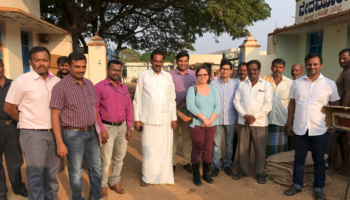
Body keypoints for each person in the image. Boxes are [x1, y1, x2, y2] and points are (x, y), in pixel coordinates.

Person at [4, 46, 61, 200]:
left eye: (44, 60)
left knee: (51, 171)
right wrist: (26, 120)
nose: (41, 63)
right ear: (30, 61)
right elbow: (9, 108)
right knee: (36, 173)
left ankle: (51, 196)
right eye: (37, 60)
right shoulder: (22, 81)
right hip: (32, 134)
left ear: (49, 61)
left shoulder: (56, 81)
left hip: (54, 133)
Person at [284, 54, 339, 200]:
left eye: (315, 64)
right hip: (300, 127)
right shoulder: (296, 83)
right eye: (309, 64)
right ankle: (297, 185)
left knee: (319, 160)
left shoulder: (329, 84)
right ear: (305, 65)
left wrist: (333, 123)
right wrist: (289, 122)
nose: (312, 67)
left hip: (320, 128)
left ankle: (318, 188)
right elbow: (292, 103)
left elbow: (335, 105)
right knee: (299, 158)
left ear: (321, 65)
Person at [50, 52, 102, 200]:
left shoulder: (89, 83)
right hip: (73, 135)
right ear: (69, 66)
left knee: (95, 167)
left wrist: (97, 131)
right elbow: (54, 116)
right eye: (77, 67)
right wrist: (60, 143)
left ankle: (95, 197)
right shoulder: (60, 87)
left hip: (91, 132)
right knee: (75, 170)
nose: (81, 70)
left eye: (83, 66)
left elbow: (94, 108)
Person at [133, 48, 177, 187]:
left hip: (165, 120)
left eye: (160, 61)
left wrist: (174, 117)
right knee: (148, 150)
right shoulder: (143, 76)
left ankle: (164, 176)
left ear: (163, 62)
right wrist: (137, 119)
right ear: (151, 61)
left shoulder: (168, 77)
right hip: (148, 120)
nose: (158, 64)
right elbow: (137, 99)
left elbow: (172, 98)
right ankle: (147, 177)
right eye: (155, 61)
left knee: (165, 150)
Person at [95, 60, 134, 198]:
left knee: (119, 157)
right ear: (107, 70)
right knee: (105, 160)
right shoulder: (99, 87)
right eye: (113, 69)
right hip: (107, 128)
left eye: (118, 70)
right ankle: (103, 185)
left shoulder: (124, 88)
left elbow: (129, 108)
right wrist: (102, 130)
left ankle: (115, 181)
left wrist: (130, 127)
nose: (116, 72)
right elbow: (96, 110)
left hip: (122, 127)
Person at [233, 60, 272, 184]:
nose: (252, 71)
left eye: (255, 69)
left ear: (259, 70)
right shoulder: (242, 84)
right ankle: (243, 170)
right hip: (243, 122)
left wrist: (253, 117)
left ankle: (259, 172)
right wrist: (245, 115)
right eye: (249, 69)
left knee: (260, 149)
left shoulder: (266, 85)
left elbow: (268, 105)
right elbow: (236, 102)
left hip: (259, 123)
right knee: (243, 148)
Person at [186, 65, 220, 186]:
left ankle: (206, 174)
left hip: (212, 124)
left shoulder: (214, 89)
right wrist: (204, 119)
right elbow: (190, 106)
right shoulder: (192, 90)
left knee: (208, 149)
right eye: (200, 75)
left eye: (205, 74)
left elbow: (218, 106)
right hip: (197, 125)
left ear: (209, 76)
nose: (202, 77)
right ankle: (196, 175)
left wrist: (210, 120)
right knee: (197, 148)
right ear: (196, 76)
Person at [0, 59, 27, 200]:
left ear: (2, 67)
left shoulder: (13, 84)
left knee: (15, 159)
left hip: (12, 126)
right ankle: (1, 193)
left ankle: (18, 187)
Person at [210, 60, 239, 177]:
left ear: (231, 71)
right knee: (216, 144)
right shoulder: (213, 84)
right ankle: (216, 165)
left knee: (229, 144)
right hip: (216, 119)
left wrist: (237, 120)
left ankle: (227, 164)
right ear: (219, 70)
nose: (225, 71)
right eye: (223, 68)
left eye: (227, 69)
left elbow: (237, 102)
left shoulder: (236, 84)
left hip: (231, 119)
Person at [169, 51, 196, 174]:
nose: (183, 63)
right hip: (173, 111)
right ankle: (172, 162)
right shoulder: (169, 75)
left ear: (188, 62)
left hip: (187, 112)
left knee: (186, 137)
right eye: (180, 61)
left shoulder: (194, 75)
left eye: (185, 61)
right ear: (176, 61)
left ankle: (186, 162)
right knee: (173, 137)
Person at [263, 58, 292, 158]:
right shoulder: (264, 81)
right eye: (275, 67)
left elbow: (291, 104)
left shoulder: (289, 83)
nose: (277, 69)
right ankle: (265, 168)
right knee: (264, 147)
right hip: (265, 120)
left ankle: (278, 170)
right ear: (271, 68)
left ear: (283, 69)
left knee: (280, 150)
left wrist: (289, 122)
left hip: (281, 121)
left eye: (280, 67)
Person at [328, 48, 350, 177]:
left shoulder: (348, 74)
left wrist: (339, 114)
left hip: (342, 110)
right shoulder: (344, 72)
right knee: (342, 140)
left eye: (345, 58)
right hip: (342, 110)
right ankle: (346, 167)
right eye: (340, 58)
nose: (341, 61)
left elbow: (348, 95)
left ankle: (331, 166)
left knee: (332, 138)